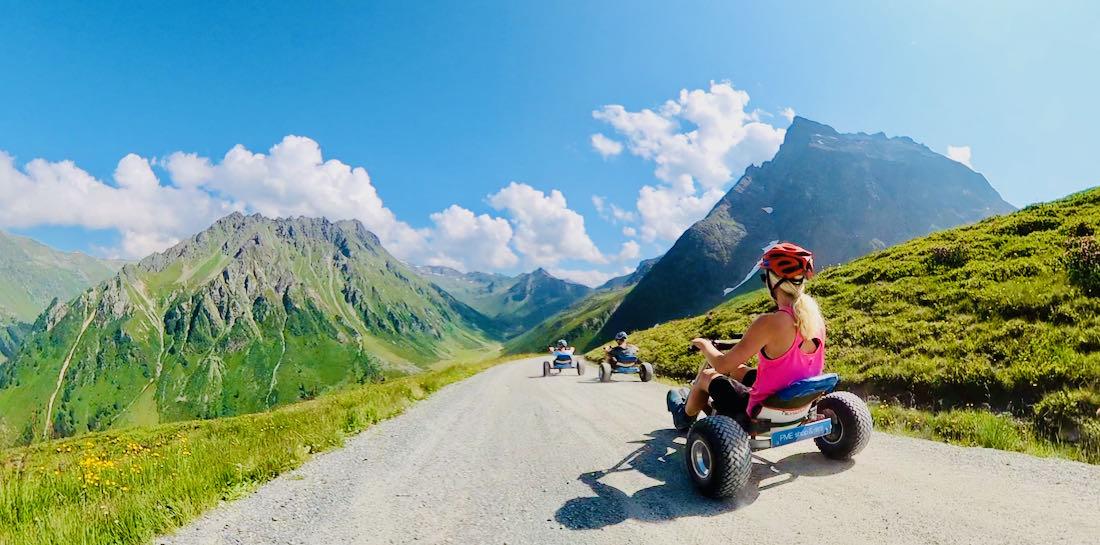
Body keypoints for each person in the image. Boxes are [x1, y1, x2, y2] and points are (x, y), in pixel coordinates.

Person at [666, 242, 826, 431]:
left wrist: (704, 345)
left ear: (773, 281)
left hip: (762, 412)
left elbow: (722, 365)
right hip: (798, 404)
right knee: (738, 370)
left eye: (764, 277)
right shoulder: (814, 319)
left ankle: (683, 417)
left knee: (707, 375)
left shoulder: (769, 322)